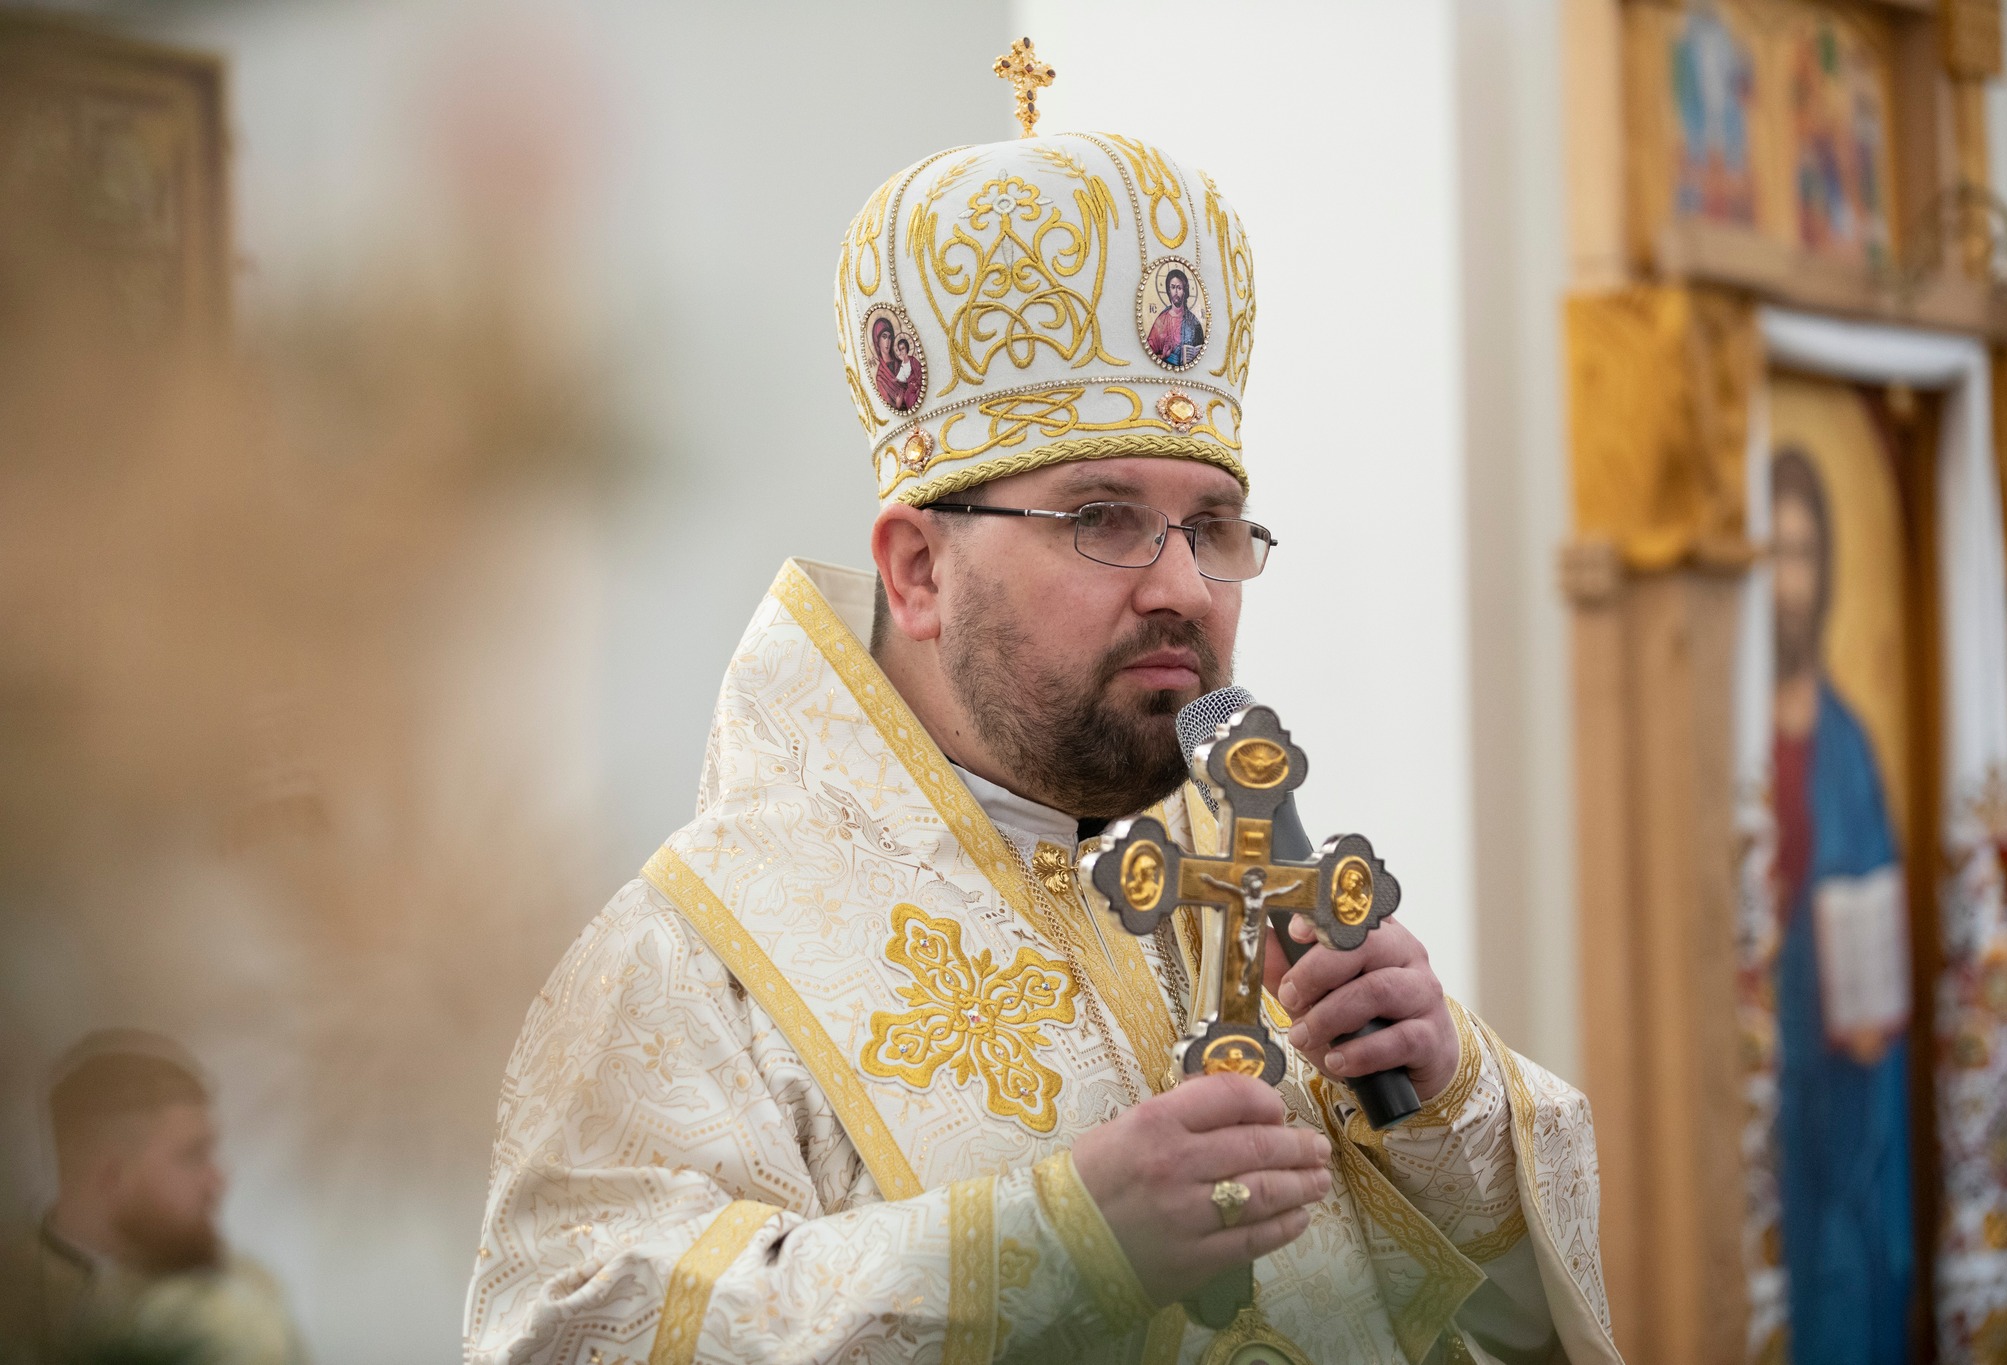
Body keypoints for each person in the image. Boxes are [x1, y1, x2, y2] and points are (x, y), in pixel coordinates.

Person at [467, 119, 1616, 1364]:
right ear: (917, 571)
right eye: (1101, 518)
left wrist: (1439, 1100)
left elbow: (1509, 1320)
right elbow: (575, 1329)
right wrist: (1059, 1244)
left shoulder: (1247, 879)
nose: (1183, 586)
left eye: (1214, 526)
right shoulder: (687, 964)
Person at [1769, 447, 1914, 1365]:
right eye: (1774, 552)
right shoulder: (1733, 740)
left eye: (1805, 553)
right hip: (1763, 1093)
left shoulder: (1850, 747)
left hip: (1843, 1093)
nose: (1789, 582)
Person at [2, 1030, 304, 1365]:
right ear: (111, 1176)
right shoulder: (12, 1303)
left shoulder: (251, 1292)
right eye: (193, 1155)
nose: (218, 1180)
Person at [1145, 267, 1205, 367]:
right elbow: (1148, 353)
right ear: (1169, 290)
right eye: (1173, 287)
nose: (1176, 292)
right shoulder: (1162, 320)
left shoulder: (1193, 322)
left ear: (1184, 291)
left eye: (1179, 288)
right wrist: (1163, 356)